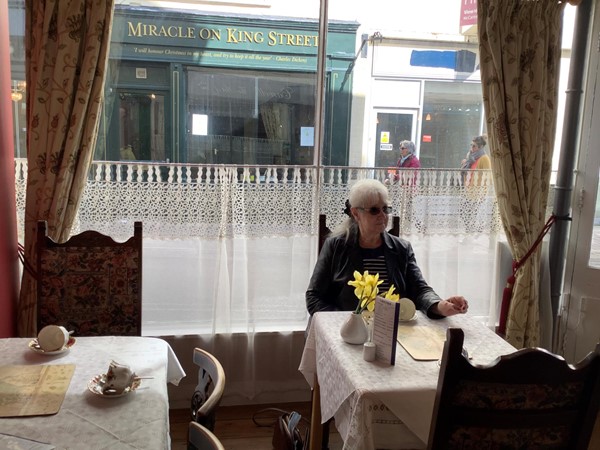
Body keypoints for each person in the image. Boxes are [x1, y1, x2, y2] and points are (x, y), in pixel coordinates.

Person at [306, 179, 468, 318]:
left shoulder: (401, 248)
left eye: (386, 209)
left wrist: (440, 306)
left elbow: (419, 290)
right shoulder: (336, 246)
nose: (383, 215)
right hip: (347, 331)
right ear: (356, 213)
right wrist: (346, 322)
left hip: (392, 328)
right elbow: (314, 297)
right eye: (374, 210)